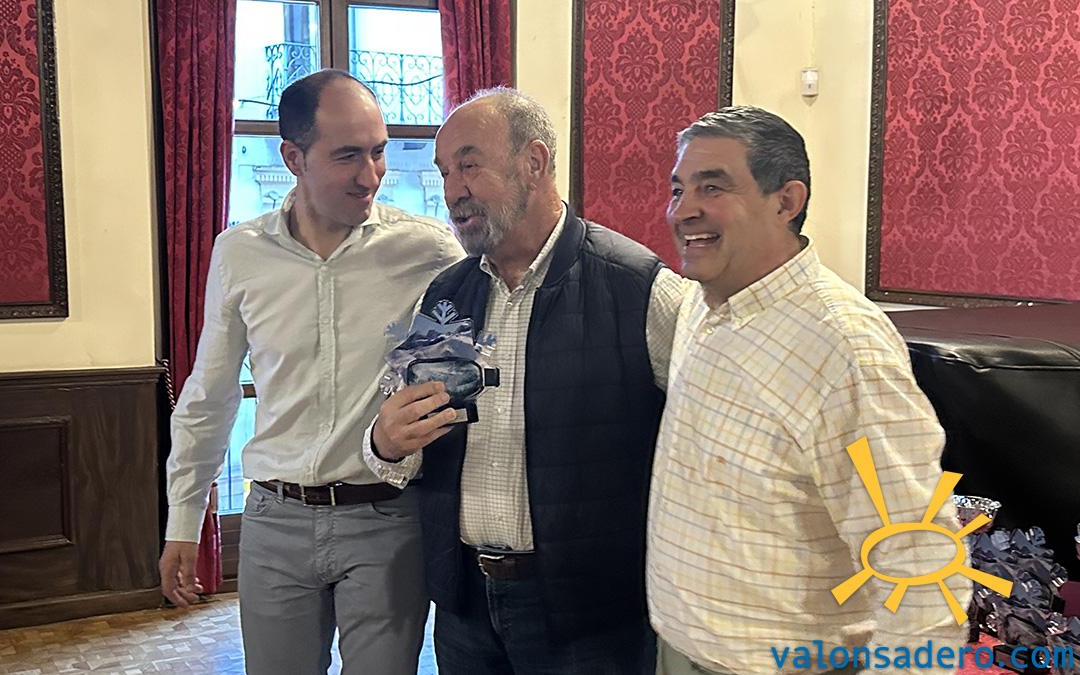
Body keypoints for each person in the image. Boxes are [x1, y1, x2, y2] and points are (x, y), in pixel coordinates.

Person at [366, 87, 688, 674]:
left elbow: (706, 442)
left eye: (469, 164)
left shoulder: (640, 288)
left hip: (592, 616)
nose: (453, 190)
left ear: (534, 162)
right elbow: (403, 439)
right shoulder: (446, 295)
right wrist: (385, 443)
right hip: (465, 607)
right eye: (444, 172)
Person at [160, 69, 463, 674]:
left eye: (378, 152)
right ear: (292, 158)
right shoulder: (239, 253)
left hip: (387, 519)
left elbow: (474, 359)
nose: (370, 175)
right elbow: (210, 395)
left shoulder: (428, 250)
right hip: (275, 522)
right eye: (348, 155)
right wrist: (183, 521)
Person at [648, 105, 968, 675]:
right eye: (678, 189)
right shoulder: (701, 303)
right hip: (684, 649)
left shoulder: (845, 346)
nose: (683, 210)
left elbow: (918, 558)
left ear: (786, 201)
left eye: (712, 187)